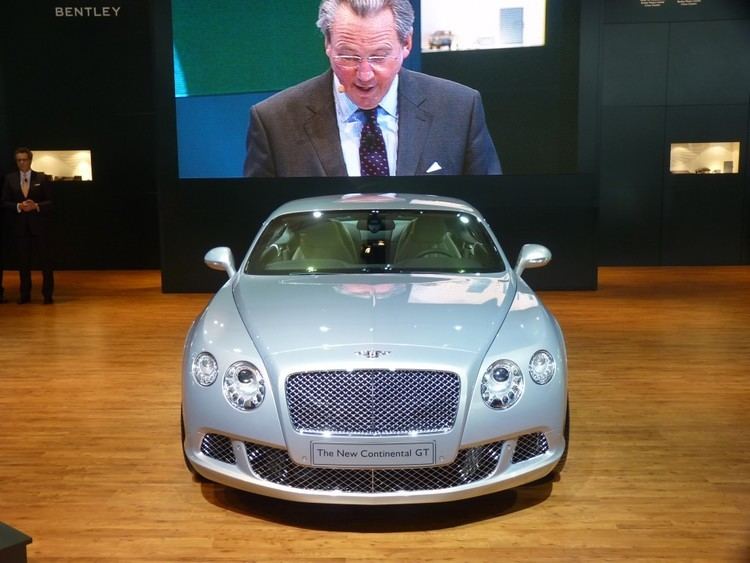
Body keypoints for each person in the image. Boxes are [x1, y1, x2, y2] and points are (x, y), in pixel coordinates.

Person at [244, 0, 501, 177]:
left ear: (406, 44)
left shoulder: (459, 108)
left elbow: (488, 206)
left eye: (379, 57)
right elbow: (261, 223)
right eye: (348, 57)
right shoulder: (274, 122)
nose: (364, 75)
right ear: (328, 45)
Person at [1, 148, 54, 304]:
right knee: (23, 264)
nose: (22, 163)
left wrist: (36, 205)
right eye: (19, 160)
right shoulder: (9, 179)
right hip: (20, 228)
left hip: (40, 228)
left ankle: (48, 295)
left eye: (24, 159)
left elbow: (51, 202)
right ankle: (24, 295)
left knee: (45, 262)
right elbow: (4, 202)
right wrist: (19, 206)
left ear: (30, 160)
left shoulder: (42, 178)